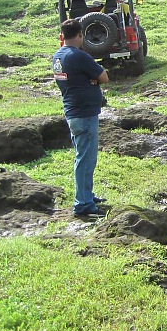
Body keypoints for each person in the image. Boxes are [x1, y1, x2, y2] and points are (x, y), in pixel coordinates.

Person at [53, 19, 110, 217]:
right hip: (84, 114)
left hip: (73, 112)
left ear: (62, 36)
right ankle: (83, 205)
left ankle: (86, 195)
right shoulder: (79, 56)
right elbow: (104, 77)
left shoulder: (58, 56)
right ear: (80, 35)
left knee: (83, 157)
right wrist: (92, 79)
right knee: (86, 159)